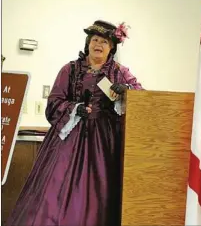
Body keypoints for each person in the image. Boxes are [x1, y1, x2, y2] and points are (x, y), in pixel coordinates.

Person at [5, 20, 143, 226]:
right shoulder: (69, 70)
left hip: (105, 144)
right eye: (95, 39)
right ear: (88, 43)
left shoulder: (120, 72)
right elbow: (53, 103)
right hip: (68, 139)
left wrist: (126, 91)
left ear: (112, 47)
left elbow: (143, 99)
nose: (99, 44)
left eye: (104, 41)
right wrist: (74, 109)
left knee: (102, 191)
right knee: (53, 188)